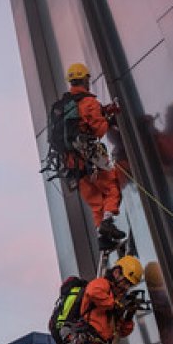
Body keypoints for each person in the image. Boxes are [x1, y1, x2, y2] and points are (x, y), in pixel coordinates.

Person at [63, 62, 125, 246]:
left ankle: (102, 237)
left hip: (72, 163)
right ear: (84, 79)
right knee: (112, 186)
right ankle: (107, 222)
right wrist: (108, 118)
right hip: (89, 156)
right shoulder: (88, 102)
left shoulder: (66, 105)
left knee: (95, 200)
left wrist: (103, 111)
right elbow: (98, 130)